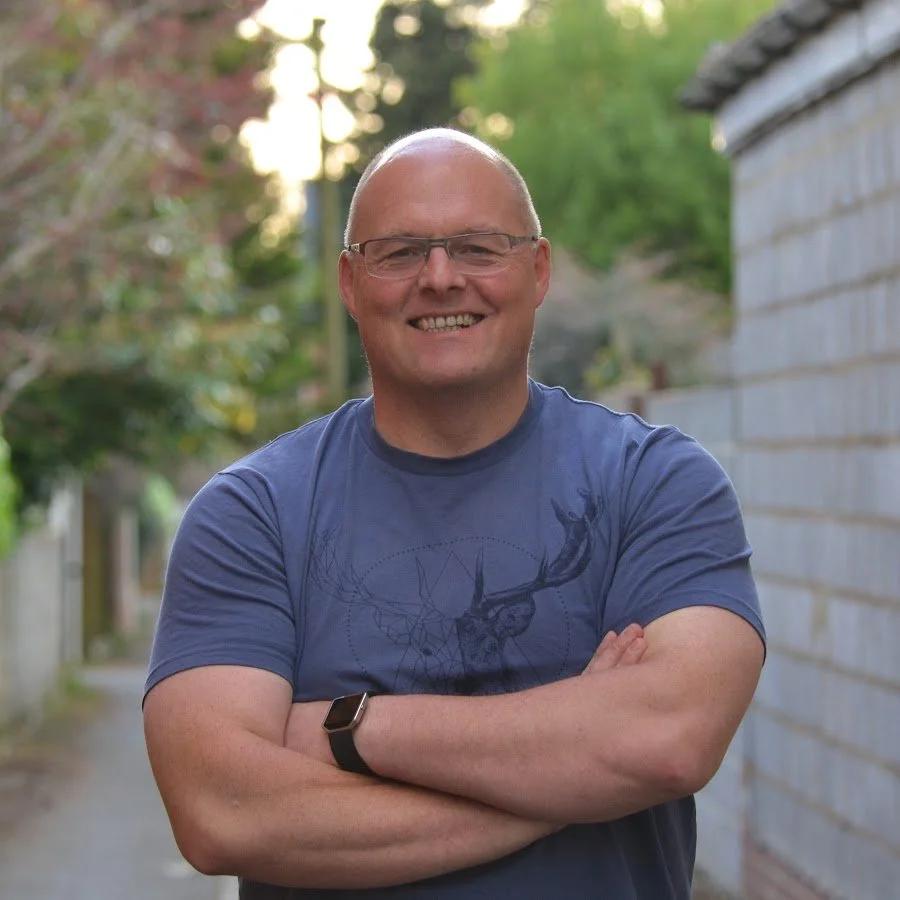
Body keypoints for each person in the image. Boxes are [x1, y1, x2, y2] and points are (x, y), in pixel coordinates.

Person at [143, 128, 765, 899]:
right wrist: (573, 779)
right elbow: (224, 816)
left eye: (478, 247)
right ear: (349, 282)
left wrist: (351, 729)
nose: (440, 279)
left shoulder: (656, 484)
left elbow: (667, 744)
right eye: (399, 252)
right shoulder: (251, 515)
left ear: (536, 270)